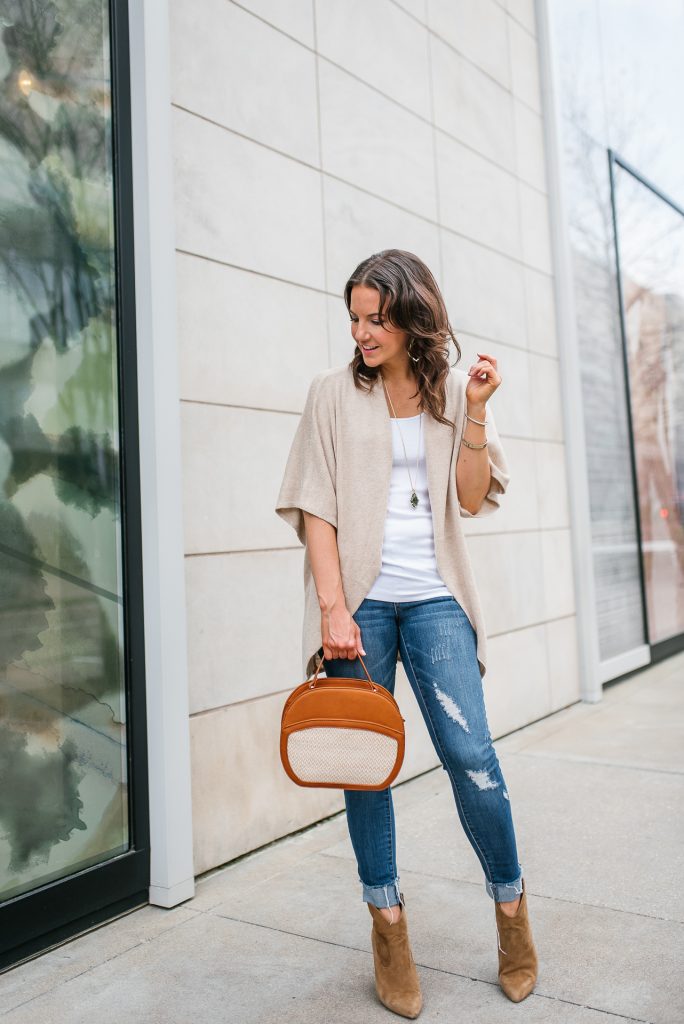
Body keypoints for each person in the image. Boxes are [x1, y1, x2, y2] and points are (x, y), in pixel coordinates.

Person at [275, 249, 538, 1018]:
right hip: (357, 606)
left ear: (410, 316)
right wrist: (332, 608)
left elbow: (471, 496)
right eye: (353, 317)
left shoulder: (451, 390)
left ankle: (513, 913)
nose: (360, 331)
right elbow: (314, 504)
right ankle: (387, 925)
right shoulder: (330, 395)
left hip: (435, 601)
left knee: (471, 756)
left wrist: (479, 408)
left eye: (374, 318)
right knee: (365, 767)